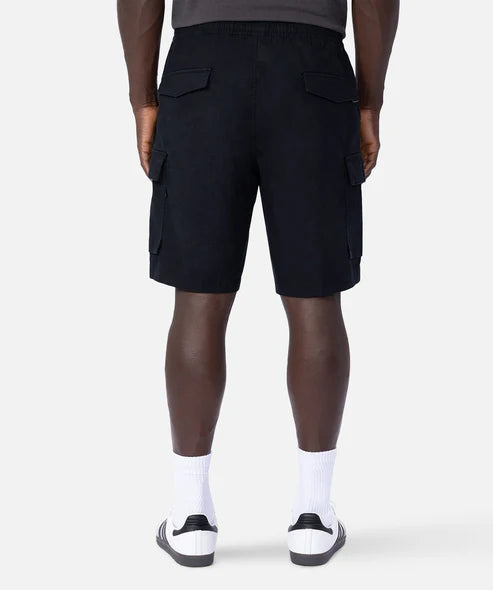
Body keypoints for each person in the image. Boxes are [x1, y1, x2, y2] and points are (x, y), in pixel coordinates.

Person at [118, 0, 399, 567]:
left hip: (200, 74)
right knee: (315, 298)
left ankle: (190, 517)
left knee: (198, 298)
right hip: (313, 76)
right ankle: (313, 517)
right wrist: (369, 103)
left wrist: (142, 98)